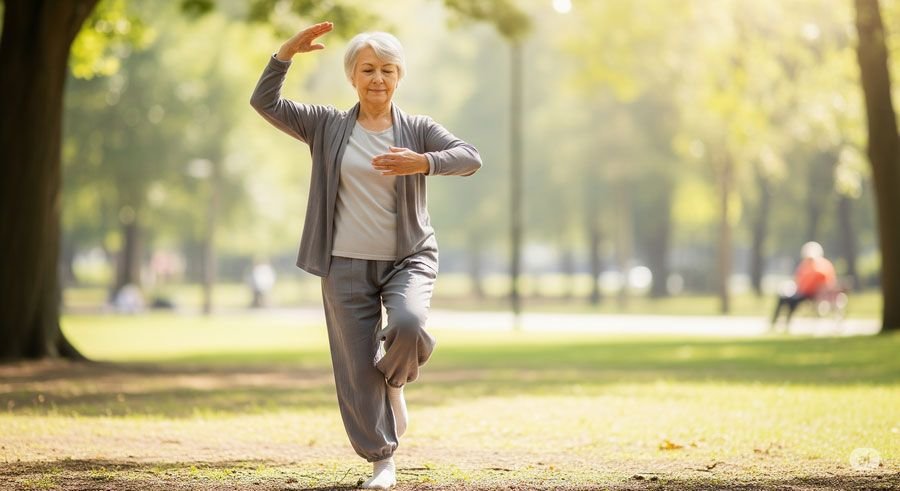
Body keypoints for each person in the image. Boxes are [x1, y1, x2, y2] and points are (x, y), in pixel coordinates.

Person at [250, 22, 482, 489]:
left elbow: (470, 157)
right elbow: (265, 103)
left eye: (388, 70)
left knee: (409, 324)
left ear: (400, 77)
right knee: (356, 371)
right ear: (352, 76)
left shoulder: (417, 129)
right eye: (368, 69)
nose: (378, 78)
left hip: (408, 257)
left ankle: (394, 379)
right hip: (344, 263)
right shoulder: (327, 126)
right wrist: (284, 55)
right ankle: (382, 461)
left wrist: (424, 162)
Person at [770, 241, 837, 329]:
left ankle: (785, 321)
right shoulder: (807, 264)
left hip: (811, 294)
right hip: (803, 292)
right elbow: (798, 279)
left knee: (790, 300)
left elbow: (822, 282)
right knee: (783, 297)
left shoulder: (820, 266)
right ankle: (776, 321)